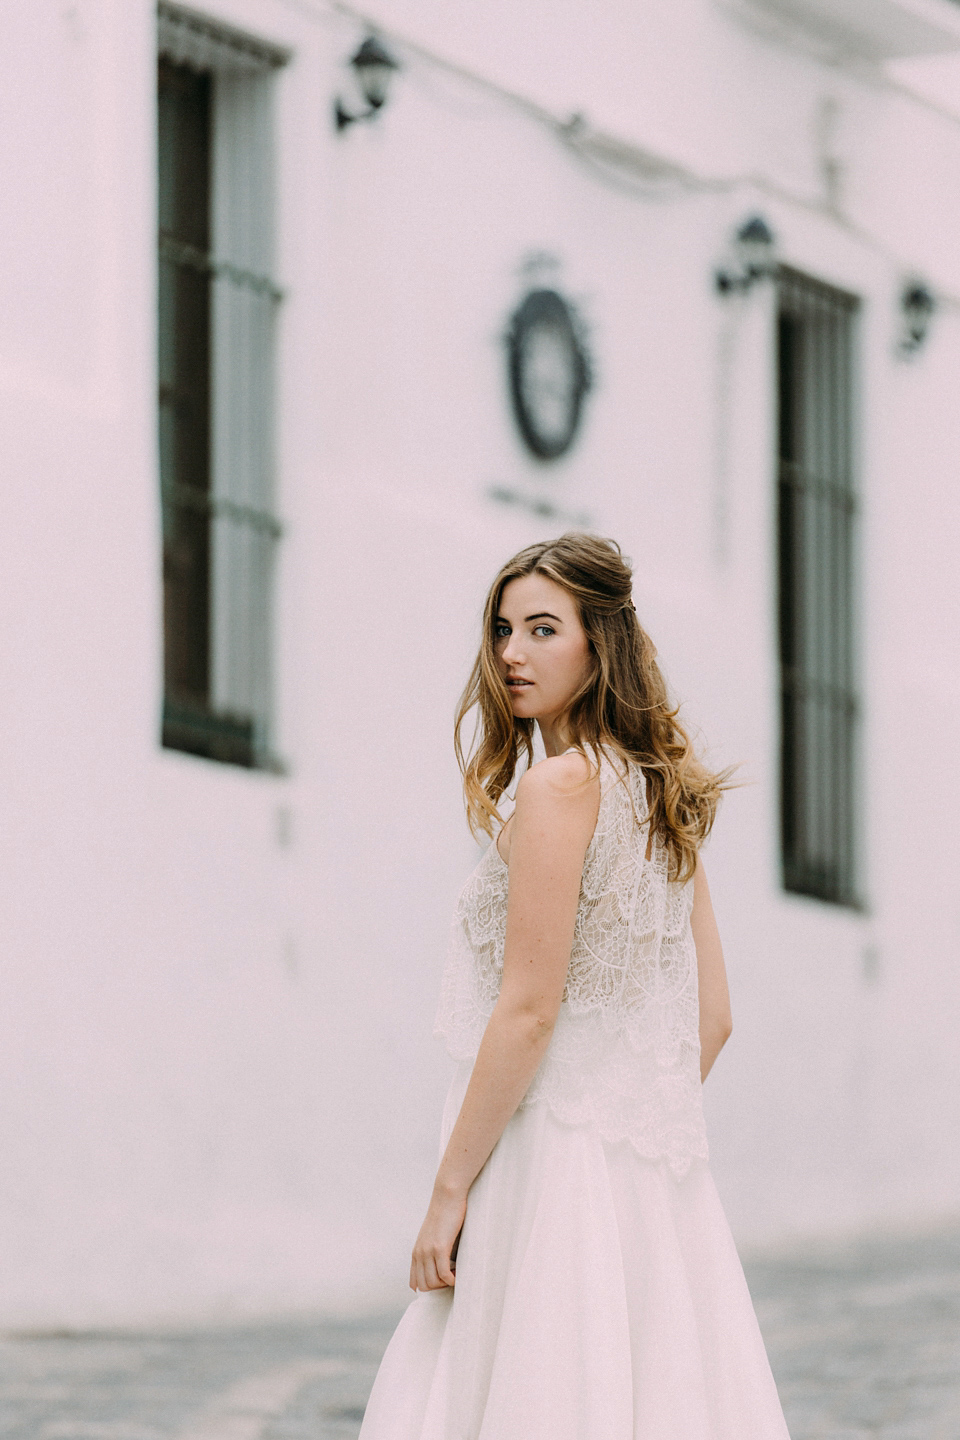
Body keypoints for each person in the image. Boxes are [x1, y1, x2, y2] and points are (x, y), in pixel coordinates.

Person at [358, 532, 791, 1440]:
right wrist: (623, 1128)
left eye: (543, 629)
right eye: (504, 629)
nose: (511, 654)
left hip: (542, 1162)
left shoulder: (561, 787)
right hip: (649, 1178)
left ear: (602, 644)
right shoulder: (660, 795)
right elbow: (712, 1020)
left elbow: (526, 1012)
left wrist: (450, 1192)